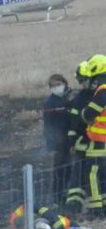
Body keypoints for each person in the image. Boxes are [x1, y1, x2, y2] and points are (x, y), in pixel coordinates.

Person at [66, 61, 95, 214]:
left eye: (83, 80)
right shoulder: (79, 99)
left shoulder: (101, 96)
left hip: (98, 145)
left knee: (95, 178)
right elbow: (73, 122)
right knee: (78, 176)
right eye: (80, 81)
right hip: (83, 145)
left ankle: (94, 206)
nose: (82, 84)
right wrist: (72, 140)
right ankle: (73, 206)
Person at [80, 54, 106, 217]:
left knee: (93, 174)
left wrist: (83, 114)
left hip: (100, 142)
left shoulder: (103, 91)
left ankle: (96, 209)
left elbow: (90, 112)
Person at [43, 74, 72, 206]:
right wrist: (51, 147)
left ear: (64, 83)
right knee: (60, 172)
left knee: (76, 171)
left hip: (75, 140)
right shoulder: (50, 103)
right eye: (52, 86)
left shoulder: (72, 98)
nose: (56, 87)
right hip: (59, 144)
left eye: (58, 84)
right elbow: (48, 126)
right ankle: (58, 201)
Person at [10, 205, 82, 229]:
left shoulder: (20, 211)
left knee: (48, 220)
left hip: (64, 223)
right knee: (41, 226)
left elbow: (37, 207)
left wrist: (58, 225)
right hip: (47, 228)